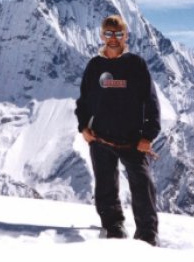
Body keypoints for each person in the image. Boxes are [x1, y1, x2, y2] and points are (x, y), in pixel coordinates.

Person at [75, 14, 161, 246]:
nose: (113, 39)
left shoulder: (136, 64)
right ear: (102, 36)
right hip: (101, 139)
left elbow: (151, 102)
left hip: (133, 141)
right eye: (109, 34)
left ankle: (147, 235)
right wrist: (83, 127)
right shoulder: (95, 66)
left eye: (119, 34)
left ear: (126, 36)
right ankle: (112, 228)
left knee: (143, 188)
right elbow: (83, 101)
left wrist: (148, 135)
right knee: (105, 189)